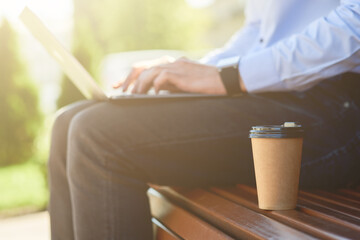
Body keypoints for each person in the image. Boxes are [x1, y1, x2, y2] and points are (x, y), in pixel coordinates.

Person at [48, 0, 360, 239]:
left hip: (338, 109)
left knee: (97, 136)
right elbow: (260, 31)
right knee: (68, 122)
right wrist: (190, 71)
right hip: (277, 93)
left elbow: (354, 23)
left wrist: (230, 76)